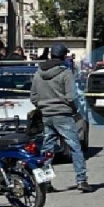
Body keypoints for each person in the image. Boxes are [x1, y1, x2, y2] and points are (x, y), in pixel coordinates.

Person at [30, 43, 92, 192]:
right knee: (75, 146)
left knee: (47, 149)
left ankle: (45, 182)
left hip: (46, 115)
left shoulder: (39, 73)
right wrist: (75, 110)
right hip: (63, 114)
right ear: (64, 56)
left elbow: (33, 96)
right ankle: (81, 180)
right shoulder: (65, 73)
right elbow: (72, 96)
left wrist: (42, 106)